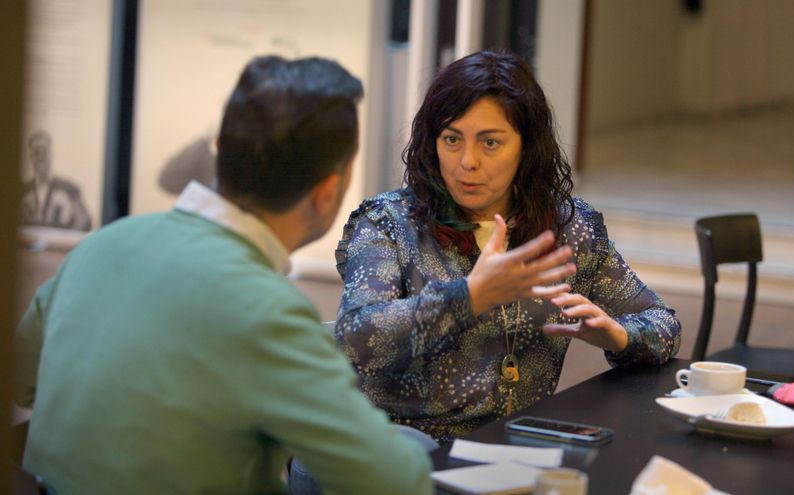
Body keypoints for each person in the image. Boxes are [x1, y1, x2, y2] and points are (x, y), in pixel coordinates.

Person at [13, 55, 432, 494]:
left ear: (219, 147)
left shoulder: (101, 246)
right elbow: (392, 481)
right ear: (328, 192)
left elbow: (22, 382)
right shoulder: (270, 313)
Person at [334, 51, 682, 444]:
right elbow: (355, 340)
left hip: (518, 451)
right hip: (403, 456)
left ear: (526, 147)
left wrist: (618, 335)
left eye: (490, 143)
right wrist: (468, 297)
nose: (468, 161)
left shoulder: (567, 229)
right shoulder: (389, 223)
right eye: (452, 139)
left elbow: (663, 324)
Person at [20, 130, 92, 231]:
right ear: (31, 156)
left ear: (50, 154)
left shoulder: (69, 189)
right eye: (36, 153)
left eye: (43, 151)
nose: (40, 157)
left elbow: (85, 222)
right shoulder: (22, 191)